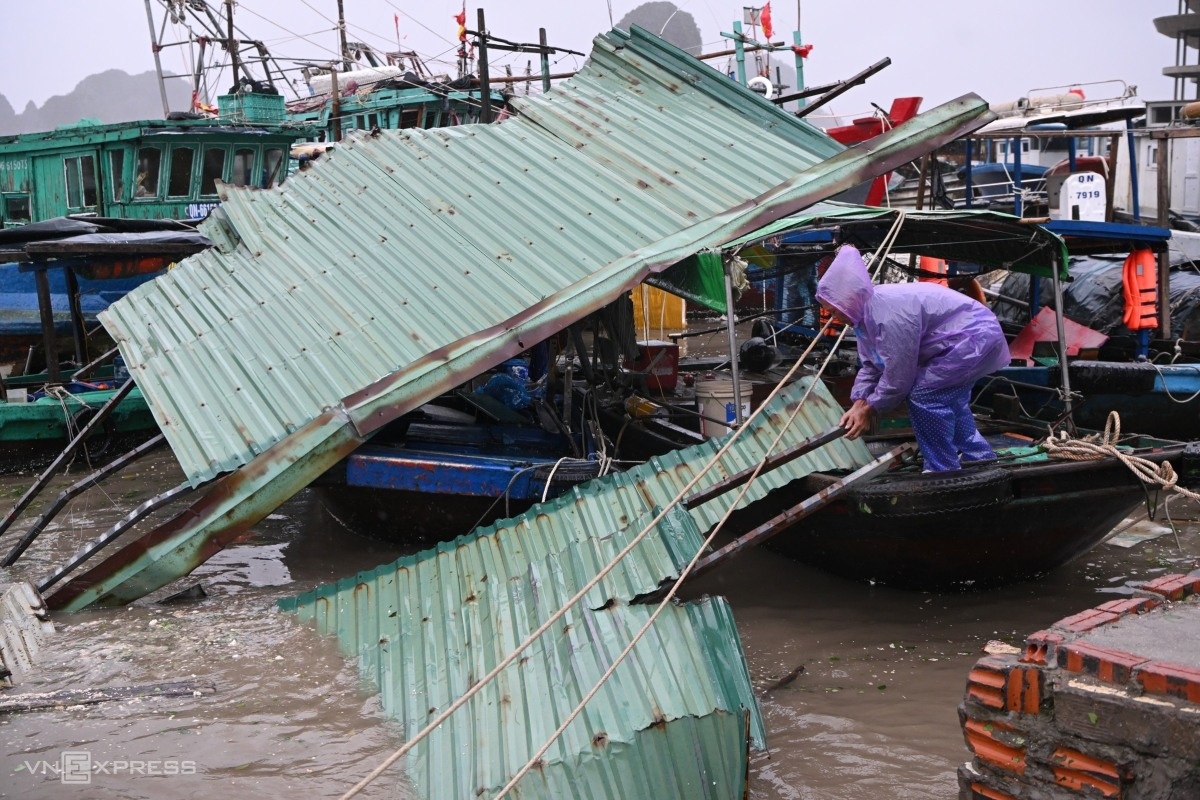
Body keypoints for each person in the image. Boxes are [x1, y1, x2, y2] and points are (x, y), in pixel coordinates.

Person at [815, 244, 1011, 472]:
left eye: (834, 310)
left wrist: (870, 408)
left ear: (848, 300)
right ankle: (979, 457)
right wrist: (859, 401)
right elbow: (871, 365)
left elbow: (899, 378)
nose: (832, 317)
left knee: (924, 396)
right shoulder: (864, 315)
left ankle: (941, 469)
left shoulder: (886, 317)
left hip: (973, 338)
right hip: (961, 341)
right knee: (949, 400)